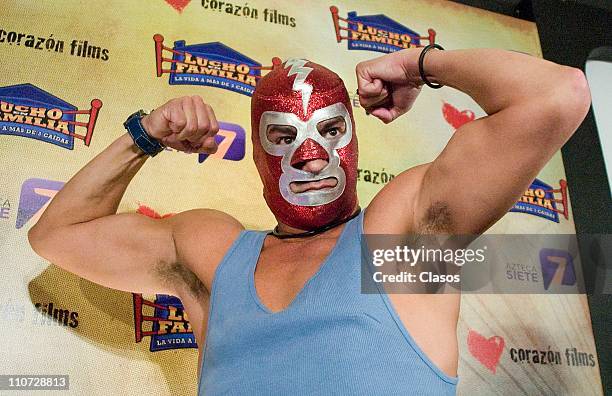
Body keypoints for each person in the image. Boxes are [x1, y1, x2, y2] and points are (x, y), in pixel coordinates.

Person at [28, 47, 590, 395]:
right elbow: (59, 236)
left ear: (353, 142)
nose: (311, 154)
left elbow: (556, 95)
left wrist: (420, 64)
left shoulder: (401, 236)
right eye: (284, 136)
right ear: (257, 153)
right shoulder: (214, 252)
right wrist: (144, 137)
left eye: (329, 131)